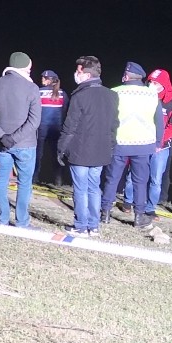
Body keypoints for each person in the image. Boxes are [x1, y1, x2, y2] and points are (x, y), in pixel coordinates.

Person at [0, 51, 42, 228]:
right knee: (24, 182)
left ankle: (2, 218)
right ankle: (22, 221)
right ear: (23, 68)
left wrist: (1, 136)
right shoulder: (32, 88)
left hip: (2, 143)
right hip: (26, 144)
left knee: (2, 179)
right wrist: (14, 138)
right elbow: (34, 120)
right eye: (29, 68)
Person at [57, 55, 117, 236]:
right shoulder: (112, 95)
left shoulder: (79, 95)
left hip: (80, 151)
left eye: (78, 71)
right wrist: (111, 146)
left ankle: (81, 225)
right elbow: (115, 125)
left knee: (81, 189)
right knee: (94, 187)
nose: (76, 74)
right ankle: (94, 225)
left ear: (85, 74)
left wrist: (61, 148)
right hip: (101, 150)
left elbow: (70, 126)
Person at [100, 61, 164, 229]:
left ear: (126, 76)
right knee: (140, 181)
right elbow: (159, 120)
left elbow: (106, 118)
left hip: (119, 143)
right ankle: (138, 217)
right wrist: (158, 142)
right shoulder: (152, 95)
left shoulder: (114, 91)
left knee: (112, 179)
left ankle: (105, 212)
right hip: (143, 144)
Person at [124, 69, 172, 218]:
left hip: (161, 148)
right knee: (133, 174)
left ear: (164, 85)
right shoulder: (142, 97)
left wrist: (159, 141)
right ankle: (128, 201)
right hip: (141, 143)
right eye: (150, 82)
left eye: (156, 83)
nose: (152, 85)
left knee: (156, 179)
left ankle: (150, 208)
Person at [36, 70, 66, 186]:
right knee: (56, 155)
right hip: (56, 129)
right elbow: (65, 110)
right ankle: (58, 180)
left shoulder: (39, 92)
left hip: (41, 128)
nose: (42, 80)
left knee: (38, 154)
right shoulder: (62, 94)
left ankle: (34, 178)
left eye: (44, 78)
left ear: (51, 80)